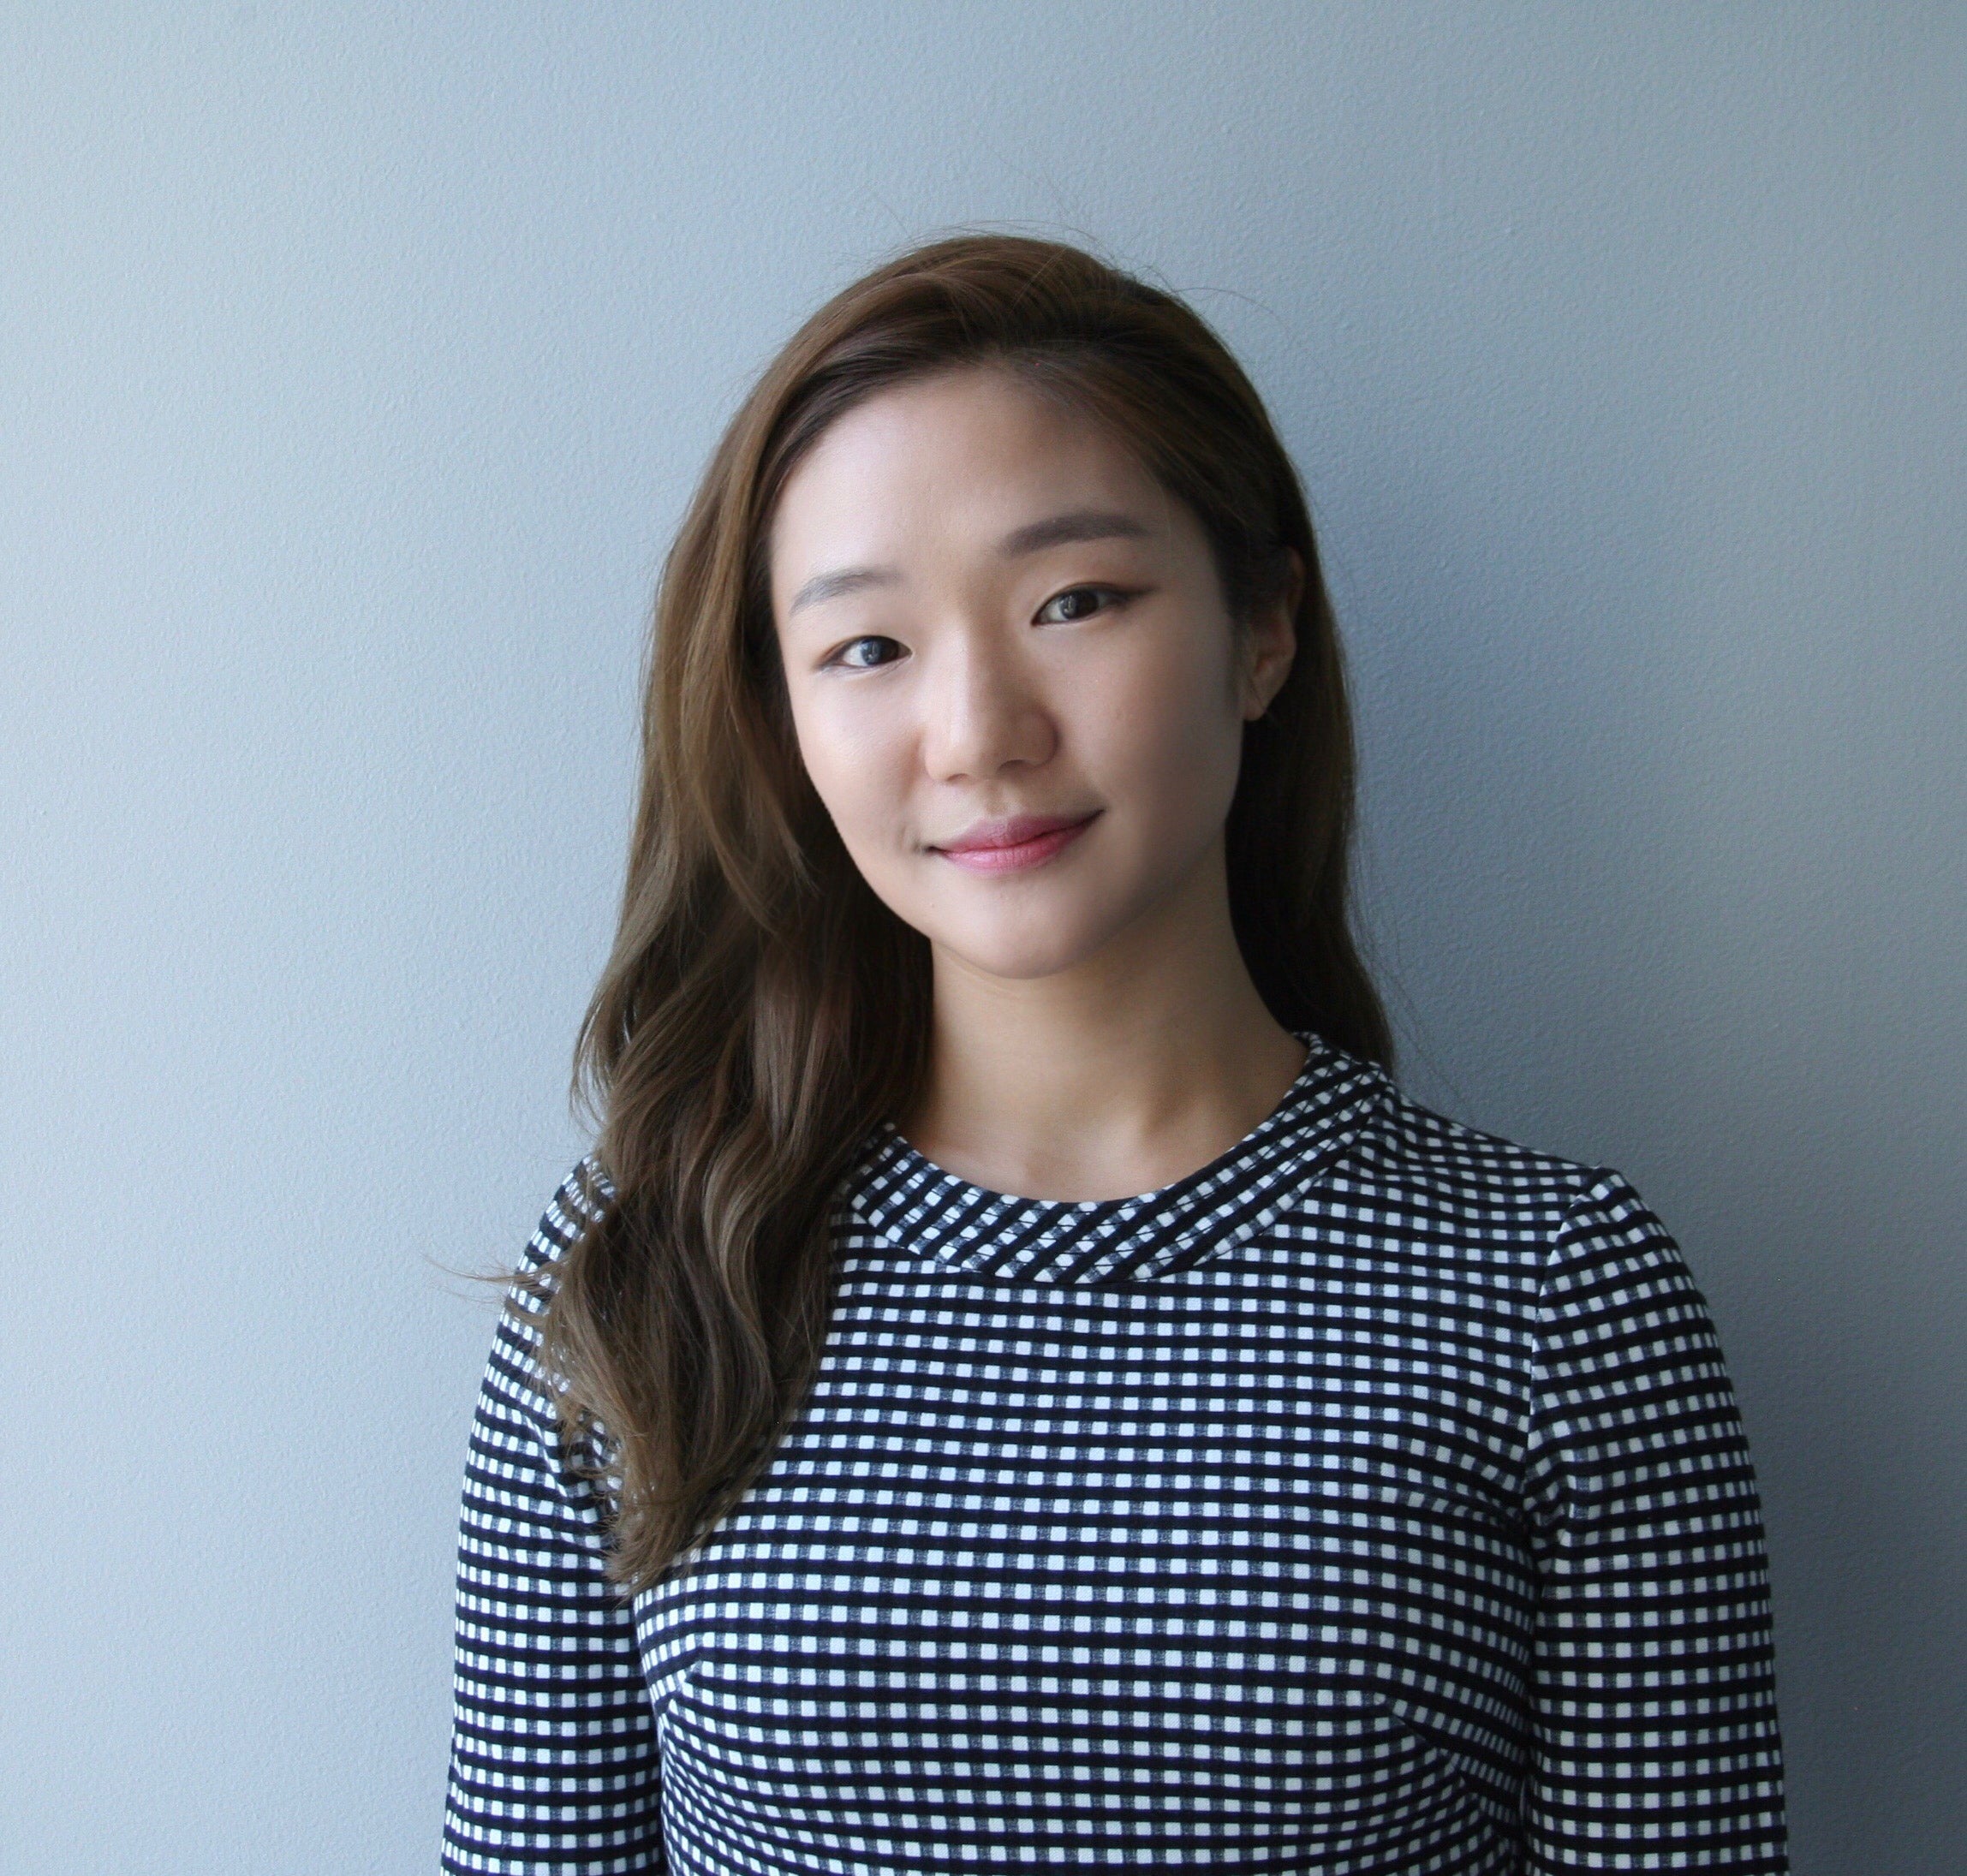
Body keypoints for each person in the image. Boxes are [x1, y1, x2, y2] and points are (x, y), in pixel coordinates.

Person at [440, 234, 1790, 1873]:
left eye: (1072, 602)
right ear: (783, 722)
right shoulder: (643, 1277)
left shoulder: (1555, 1296)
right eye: (868, 647)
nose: (977, 732)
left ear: (1263, 628)